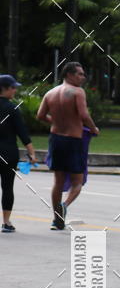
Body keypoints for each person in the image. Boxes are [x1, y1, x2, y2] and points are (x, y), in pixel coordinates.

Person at [36, 62, 99, 230]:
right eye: (80, 74)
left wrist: (54, 121)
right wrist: (94, 129)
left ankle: (56, 219)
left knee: (58, 181)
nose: (83, 78)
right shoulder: (78, 92)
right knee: (77, 181)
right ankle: (64, 206)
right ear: (69, 75)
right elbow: (84, 115)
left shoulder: (51, 93)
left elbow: (41, 115)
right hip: (73, 140)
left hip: (56, 139)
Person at [0, 75, 36, 233]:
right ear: (6, 88)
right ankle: (6, 222)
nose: (15, 90)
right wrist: (32, 154)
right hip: (8, 154)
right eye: (13, 87)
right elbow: (23, 134)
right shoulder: (12, 108)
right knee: (7, 187)